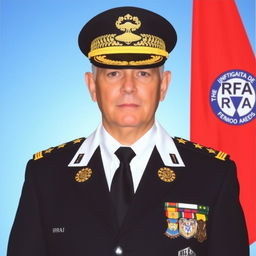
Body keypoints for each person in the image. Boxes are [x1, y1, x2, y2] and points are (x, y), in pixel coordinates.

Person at [7, 6, 249, 256]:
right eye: (113, 74)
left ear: (164, 85)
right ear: (92, 86)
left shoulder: (212, 175)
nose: (128, 87)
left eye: (143, 74)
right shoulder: (47, 175)